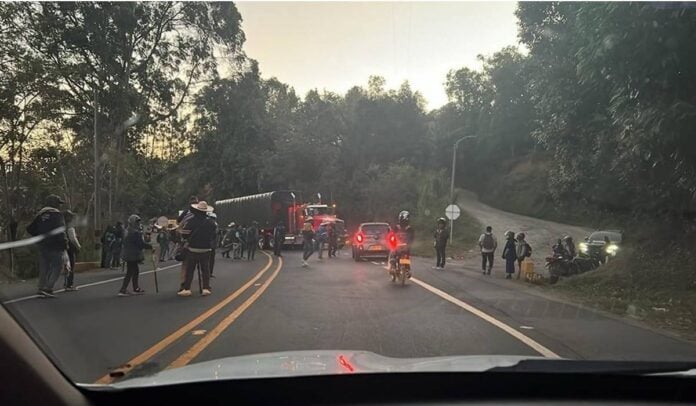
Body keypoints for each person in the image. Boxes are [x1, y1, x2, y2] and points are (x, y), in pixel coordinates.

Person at [26, 194, 68, 298]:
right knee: (57, 266)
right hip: (55, 245)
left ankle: (41, 288)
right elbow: (60, 230)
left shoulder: (40, 214)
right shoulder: (57, 215)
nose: (59, 206)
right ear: (54, 204)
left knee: (44, 267)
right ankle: (48, 288)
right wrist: (64, 244)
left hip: (42, 245)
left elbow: (30, 228)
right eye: (58, 203)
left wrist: (40, 236)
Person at [178, 201, 217, 297]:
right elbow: (214, 235)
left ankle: (187, 288)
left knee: (190, 269)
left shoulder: (190, 221)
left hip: (193, 249)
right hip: (206, 249)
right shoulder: (211, 223)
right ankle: (206, 288)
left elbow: (184, 234)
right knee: (205, 269)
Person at [118, 215, 151, 296]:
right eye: (137, 222)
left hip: (128, 253)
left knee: (134, 271)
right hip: (132, 254)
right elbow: (140, 244)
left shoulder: (127, 231)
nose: (138, 223)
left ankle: (134, 288)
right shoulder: (135, 232)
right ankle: (124, 289)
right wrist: (150, 247)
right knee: (131, 271)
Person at [389, 210, 415, 278]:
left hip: (405, 246)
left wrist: (409, 243)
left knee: (406, 256)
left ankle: (407, 270)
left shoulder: (409, 228)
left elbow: (412, 237)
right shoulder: (397, 227)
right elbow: (392, 235)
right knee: (393, 254)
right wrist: (392, 241)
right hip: (397, 245)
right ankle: (393, 267)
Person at [63, 210, 81, 291]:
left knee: (66, 265)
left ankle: (66, 283)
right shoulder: (70, 227)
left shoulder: (61, 226)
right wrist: (78, 246)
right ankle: (69, 285)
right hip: (70, 248)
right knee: (71, 266)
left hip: (63, 248)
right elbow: (73, 239)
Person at [208, 212, 218, 277]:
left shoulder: (205, 223)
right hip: (211, 245)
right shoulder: (215, 225)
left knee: (207, 260)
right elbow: (215, 234)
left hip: (207, 244)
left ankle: (208, 273)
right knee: (211, 260)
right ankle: (209, 273)